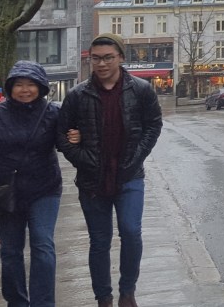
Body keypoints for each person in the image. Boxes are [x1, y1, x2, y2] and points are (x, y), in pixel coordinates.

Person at [57, 36, 163, 307]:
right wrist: (81, 158)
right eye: (96, 58)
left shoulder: (141, 90)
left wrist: (137, 156)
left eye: (108, 57)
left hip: (129, 176)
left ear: (120, 58)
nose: (101, 63)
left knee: (130, 232)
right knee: (99, 241)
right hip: (92, 181)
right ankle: (103, 298)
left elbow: (153, 125)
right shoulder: (77, 95)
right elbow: (60, 134)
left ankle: (127, 292)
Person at [0, 60, 67, 307]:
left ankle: (43, 303)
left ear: (41, 87)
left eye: (31, 84)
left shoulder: (53, 113)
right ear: (10, 88)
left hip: (44, 189)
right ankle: (17, 302)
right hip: (6, 192)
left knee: (43, 246)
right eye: (19, 84)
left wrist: (75, 137)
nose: (25, 90)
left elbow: (66, 143)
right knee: (12, 252)